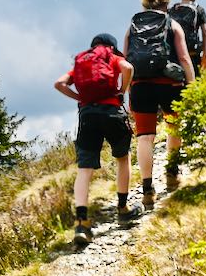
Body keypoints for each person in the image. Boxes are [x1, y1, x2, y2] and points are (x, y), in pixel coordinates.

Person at [54, 33, 144, 247]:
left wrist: (80, 98)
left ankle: (82, 223)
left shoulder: (83, 60)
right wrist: (121, 91)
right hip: (112, 112)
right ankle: (123, 209)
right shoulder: (112, 57)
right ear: (111, 47)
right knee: (123, 158)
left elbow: (59, 84)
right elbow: (128, 68)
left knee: (85, 169)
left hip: (87, 116)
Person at [123, 0, 195, 207]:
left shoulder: (132, 27)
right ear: (166, 4)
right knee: (174, 127)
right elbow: (183, 57)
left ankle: (147, 189)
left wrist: (127, 90)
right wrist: (192, 85)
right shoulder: (172, 24)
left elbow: (125, 60)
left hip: (140, 86)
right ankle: (172, 174)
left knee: (145, 137)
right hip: (169, 84)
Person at [174, 0, 206, 78]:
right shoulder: (199, 9)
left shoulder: (172, 10)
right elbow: (205, 33)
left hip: (175, 54)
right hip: (192, 54)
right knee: (195, 83)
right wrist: (205, 55)